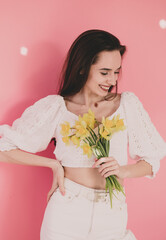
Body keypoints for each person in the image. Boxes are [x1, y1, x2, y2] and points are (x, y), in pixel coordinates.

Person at [0, 29, 166, 240]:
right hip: (66, 211)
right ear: (82, 69)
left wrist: (123, 171)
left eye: (117, 71)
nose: (112, 80)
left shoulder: (127, 104)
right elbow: (3, 149)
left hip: (111, 212)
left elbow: (152, 160)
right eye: (104, 72)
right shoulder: (58, 108)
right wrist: (53, 165)